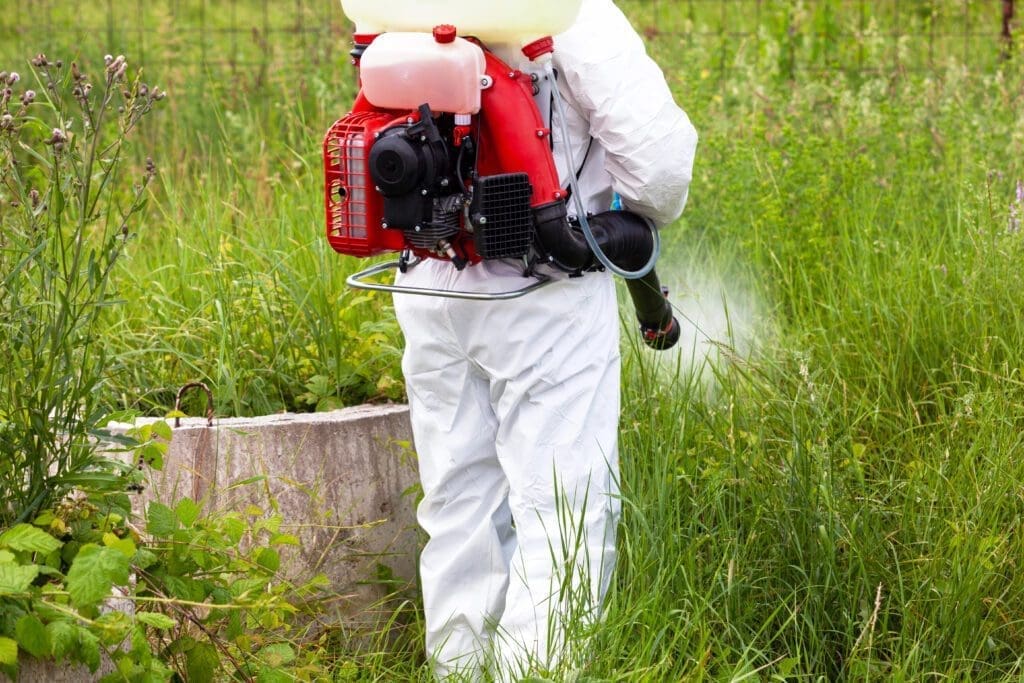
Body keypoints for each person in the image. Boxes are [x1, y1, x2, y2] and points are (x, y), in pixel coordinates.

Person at [392, 0, 698, 678]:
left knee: (458, 503)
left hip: (428, 285)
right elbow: (660, 172)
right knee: (563, 512)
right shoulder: (571, 14)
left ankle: (460, 669)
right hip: (542, 295)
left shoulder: (408, 9)